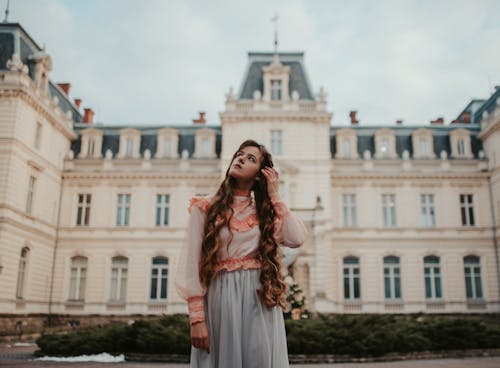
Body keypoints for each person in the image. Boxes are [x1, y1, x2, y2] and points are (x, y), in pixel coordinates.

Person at [175, 139, 308, 367]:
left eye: (251, 158)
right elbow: (191, 263)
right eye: (239, 154)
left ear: (259, 174)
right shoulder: (205, 207)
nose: (240, 159)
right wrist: (196, 319)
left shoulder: (264, 214)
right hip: (220, 299)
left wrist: (275, 196)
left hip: (259, 300)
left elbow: (296, 238)